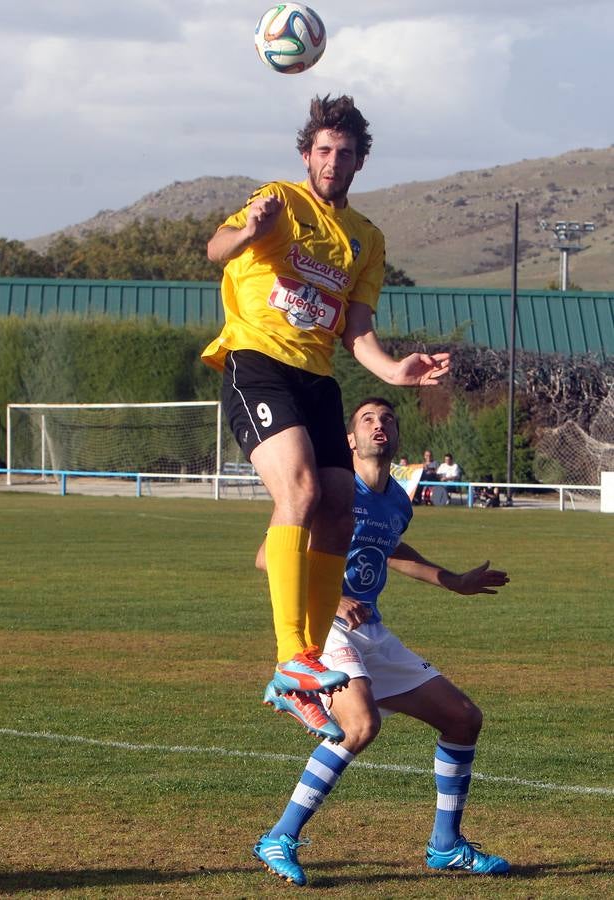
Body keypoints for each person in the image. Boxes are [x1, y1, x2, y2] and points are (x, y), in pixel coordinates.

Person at [203, 95, 450, 739]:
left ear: (359, 161)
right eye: (322, 150)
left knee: (340, 505)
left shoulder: (366, 239)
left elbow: (357, 329)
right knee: (303, 491)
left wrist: (396, 371)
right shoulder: (279, 200)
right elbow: (216, 247)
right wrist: (249, 232)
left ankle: (309, 657)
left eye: (345, 152)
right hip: (257, 360)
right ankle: (290, 657)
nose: (332, 161)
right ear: (307, 154)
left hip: (316, 376)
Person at [253, 398, 510, 885]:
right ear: (349, 439)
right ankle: (278, 837)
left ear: (397, 437)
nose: (379, 425)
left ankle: (446, 846)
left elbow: (391, 548)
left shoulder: (397, 499)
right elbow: (269, 556)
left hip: (370, 630)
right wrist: (331, 600)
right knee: (359, 724)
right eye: (367, 419)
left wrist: (450, 579)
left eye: (388, 419)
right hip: (323, 626)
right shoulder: (330, 492)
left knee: (462, 718)